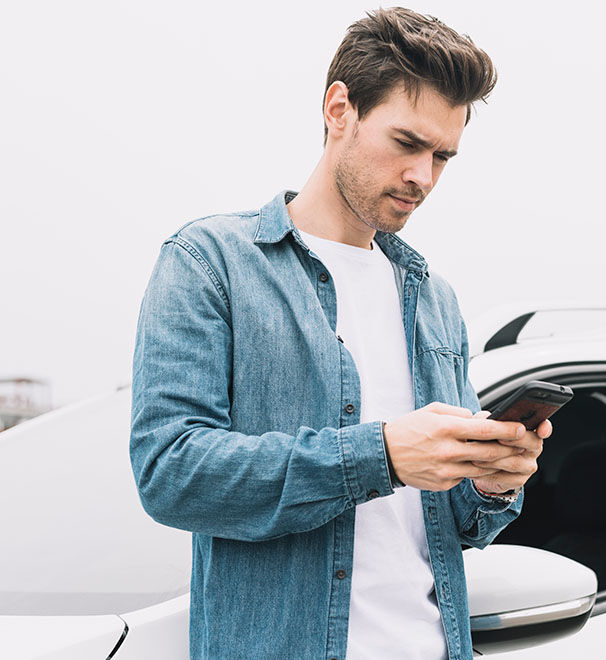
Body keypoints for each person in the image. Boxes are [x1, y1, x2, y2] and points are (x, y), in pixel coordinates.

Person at [129, 7, 550, 659]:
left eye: (442, 156)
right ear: (339, 110)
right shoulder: (210, 263)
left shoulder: (435, 301)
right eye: (408, 143)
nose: (424, 177)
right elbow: (169, 472)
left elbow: (455, 525)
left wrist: (494, 480)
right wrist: (377, 456)